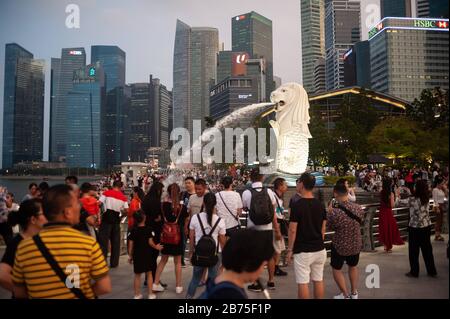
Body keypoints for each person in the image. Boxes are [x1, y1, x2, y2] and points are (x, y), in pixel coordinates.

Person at [11, 184, 111, 299]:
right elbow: (104, 286)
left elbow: (18, 292)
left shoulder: (24, 247)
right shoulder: (88, 244)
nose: (80, 206)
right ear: (67, 212)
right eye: (77, 203)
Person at [200, 229, 274, 299]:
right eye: (263, 265)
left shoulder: (216, 283)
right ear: (251, 264)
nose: (261, 271)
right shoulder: (230, 295)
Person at [287, 173, 327, 299]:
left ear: (302, 184)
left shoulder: (297, 205)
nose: (297, 184)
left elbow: (292, 230)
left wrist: (289, 250)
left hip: (303, 250)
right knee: (318, 280)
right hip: (319, 249)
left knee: (303, 283)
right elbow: (323, 229)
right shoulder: (320, 205)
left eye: (298, 181)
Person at [241, 168, 280, 291]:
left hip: (253, 229)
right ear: (262, 178)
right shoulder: (269, 192)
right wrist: (277, 229)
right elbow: (273, 213)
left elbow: (245, 208)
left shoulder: (246, 193)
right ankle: (271, 281)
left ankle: (257, 284)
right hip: (268, 228)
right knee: (269, 256)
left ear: (250, 178)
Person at [0, 199, 47, 295]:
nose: (49, 216)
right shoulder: (17, 243)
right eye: (44, 213)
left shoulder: (42, 239)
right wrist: (24, 292)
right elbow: (3, 275)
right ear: (33, 219)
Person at [327, 183, 365, 299]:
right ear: (347, 192)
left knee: (336, 269)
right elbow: (360, 221)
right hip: (356, 243)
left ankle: (345, 294)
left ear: (335, 193)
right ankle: (354, 293)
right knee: (353, 266)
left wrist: (329, 212)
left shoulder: (334, 211)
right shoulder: (358, 207)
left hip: (340, 245)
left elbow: (329, 226)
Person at [186, 193, 226, 298]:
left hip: (199, 253)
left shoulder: (195, 218)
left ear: (203, 203)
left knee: (195, 279)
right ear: (215, 204)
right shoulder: (220, 221)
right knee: (213, 281)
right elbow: (222, 241)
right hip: (215, 254)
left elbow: (191, 237)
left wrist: (191, 252)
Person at [396, 180, 438, 278]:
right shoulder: (426, 198)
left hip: (414, 227)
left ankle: (414, 272)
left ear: (417, 188)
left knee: (413, 251)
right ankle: (431, 271)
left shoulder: (412, 200)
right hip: (426, 226)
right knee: (427, 250)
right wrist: (409, 192)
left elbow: (399, 203)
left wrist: (398, 194)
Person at [153, 183, 188, 294]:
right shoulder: (182, 207)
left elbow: (158, 218)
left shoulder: (162, 205)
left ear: (167, 192)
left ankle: (155, 283)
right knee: (177, 262)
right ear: (179, 193)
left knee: (163, 260)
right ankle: (178, 286)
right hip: (177, 237)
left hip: (165, 236)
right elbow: (185, 220)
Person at [128, 210, 164, 299]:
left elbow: (131, 244)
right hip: (147, 254)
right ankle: (150, 294)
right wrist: (156, 247)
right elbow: (151, 243)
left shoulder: (133, 230)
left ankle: (137, 294)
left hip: (137, 255)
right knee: (149, 274)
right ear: (144, 218)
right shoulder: (149, 229)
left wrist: (130, 255)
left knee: (137, 275)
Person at [98, 180, 129, 268]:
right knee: (115, 242)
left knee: (103, 242)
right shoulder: (123, 197)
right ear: (121, 187)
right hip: (116, 219)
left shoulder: (106, 193)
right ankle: (114, 263)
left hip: (106, 218)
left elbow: (99, 203)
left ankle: (102, 262)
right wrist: (121, 216)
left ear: (113, 185)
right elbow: (127, 210)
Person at [379, 177, 404, 253]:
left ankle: (386, 245)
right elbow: (392, 205)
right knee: (390, 228)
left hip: (382, 212)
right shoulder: (391, 193)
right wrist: (397, 196)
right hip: (388, 212)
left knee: (384, 228)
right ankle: (388, 246)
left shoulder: (381, 192)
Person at [272, 178, 288, 277]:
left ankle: (275, 267)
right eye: (285, 185)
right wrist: (277, 229)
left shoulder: (278, 197)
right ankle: (275, 268)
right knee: (278, 247)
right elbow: (274, 214)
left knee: (279, 247)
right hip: (276, 225)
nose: (286, 187)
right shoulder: (274, 197)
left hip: (279, 224)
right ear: (280, 186)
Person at [181, 177, 196, 267]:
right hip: (184, 221)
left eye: (189, 183)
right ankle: (182, 260)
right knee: (183, 241)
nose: (187, 185)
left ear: (194, 183)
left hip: (195, 222)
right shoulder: (183, 194)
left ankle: (194, 259)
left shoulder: (198, 195)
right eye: (186, 183)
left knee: (194, 241)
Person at [432, 176, 448, 242]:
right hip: (437, 206)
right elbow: (435, 199)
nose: (442, 184)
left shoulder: (441, 190)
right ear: (438, 183)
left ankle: (438, 234)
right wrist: (437, 207)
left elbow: (446, 196)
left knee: (441, 221)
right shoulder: (435, 190)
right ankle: (436, 235)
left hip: (442, 205)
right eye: (442, 183)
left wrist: (445, 189)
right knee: (438, 221)